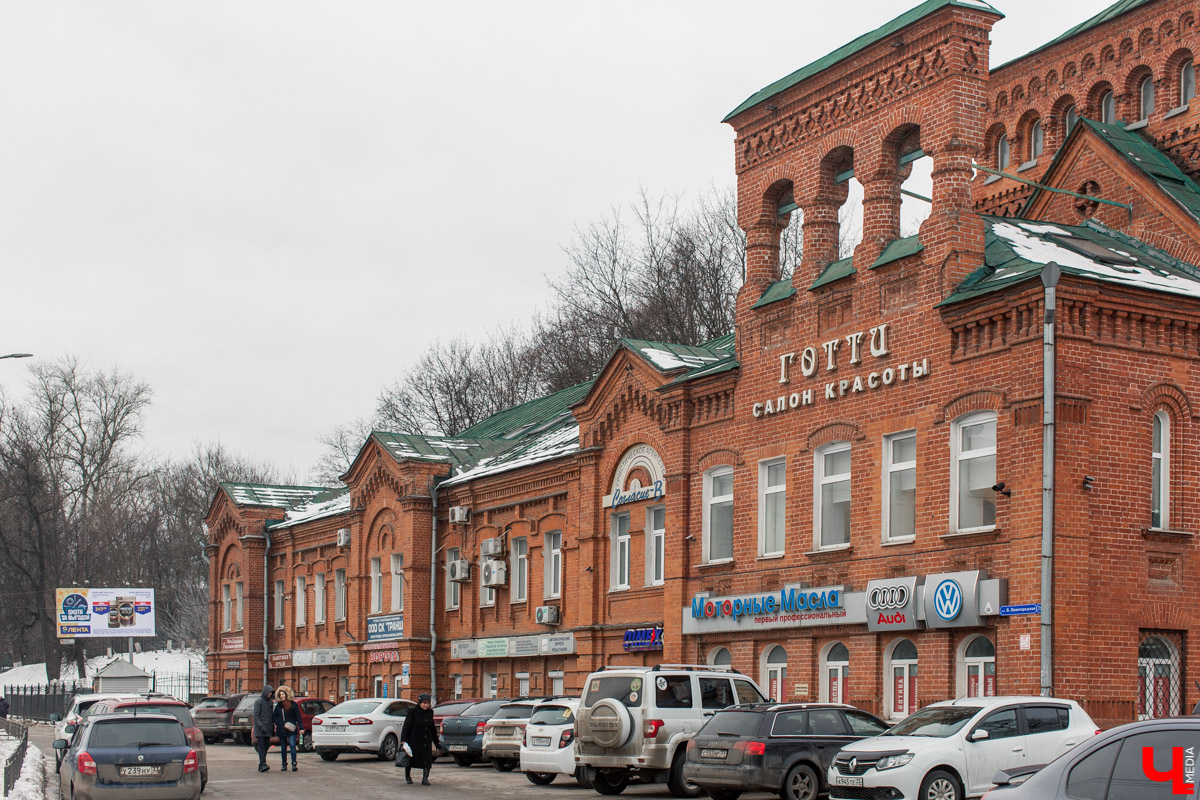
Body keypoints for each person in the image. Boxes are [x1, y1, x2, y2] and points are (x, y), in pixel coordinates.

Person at [399, 693, 440, 785]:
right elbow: (406, 726)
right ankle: (408, 776)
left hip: (426, 740)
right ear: (420, 703)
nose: (426, 705)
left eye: (428, 703)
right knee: (411, 759)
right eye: (424, 703)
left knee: (427, 760)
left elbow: (432, 728)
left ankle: (425, 778)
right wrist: (404, 741)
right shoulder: (412, 712)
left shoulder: (430, 712)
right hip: (414, 740)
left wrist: (436, 742)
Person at [273, 686, 301, 772]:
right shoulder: (279, 706)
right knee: (283, 747)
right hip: (282, 729)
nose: (281, 696)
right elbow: (274, 717)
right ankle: (284, 764)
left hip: (291, 728)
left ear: (287, 694)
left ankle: (294, 763)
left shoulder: (293, 705)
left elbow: (298, 717)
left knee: (292, 745)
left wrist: (301, 728)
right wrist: (279, 723)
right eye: (280, 694)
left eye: (283, 694)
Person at [252, 684, 275, 773]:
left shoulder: (270, 702)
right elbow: (256, 716)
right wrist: (261, 726)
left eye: (271, 693)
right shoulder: (259, 702)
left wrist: (272, 727)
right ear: (265, 692)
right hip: (260, 729)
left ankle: (261, 764)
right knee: (261, 746)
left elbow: (271, 715)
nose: (270, 694)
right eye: (269, 692)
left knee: (266, 746)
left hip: (268, 728)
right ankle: (263, 764)